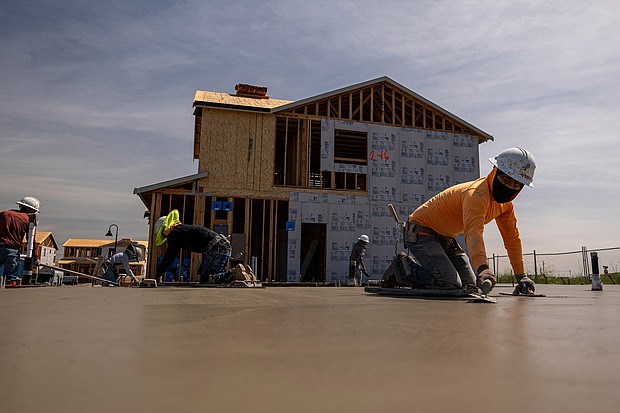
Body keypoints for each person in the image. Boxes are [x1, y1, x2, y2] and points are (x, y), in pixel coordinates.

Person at [400, 147, 536, 295]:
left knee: (470, 286)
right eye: (506, 178)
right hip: (421, 230)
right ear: (495, 171)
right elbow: (474, 232)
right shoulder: (476, 195)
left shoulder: (505, 206)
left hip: (445, 237)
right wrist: (483, 268)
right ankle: (403, 269)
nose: (510, 186)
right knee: (450, 283)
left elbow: (512, 239)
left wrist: (521, 275)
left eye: (517, 184)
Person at [154, 210, 232, 284]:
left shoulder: (175, 234)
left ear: (165, 228)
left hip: (218, 248)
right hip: (220, 246)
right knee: (206, 278)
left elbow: (169, 257)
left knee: (209, 279)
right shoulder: (180, 229)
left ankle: (234, 274)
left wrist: (158, 275)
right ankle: (233, 274)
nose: (166, 238)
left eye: (163, 234)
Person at [0, 196, 40, 286]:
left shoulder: (4, 214)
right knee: (11, 279)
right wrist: (36, 257)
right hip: (12, 250)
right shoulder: (28, 220)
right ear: (29, 209)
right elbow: (31, 240)